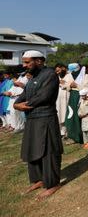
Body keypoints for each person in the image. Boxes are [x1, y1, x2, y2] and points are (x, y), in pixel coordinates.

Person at [14, 50, 63, 200]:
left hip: (45, 118)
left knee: (48, 151)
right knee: (32, 149)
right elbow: (23, 95)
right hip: (32, 119)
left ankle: (52, 183)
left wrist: (25, 105)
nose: (24, 65)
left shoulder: (49, 75)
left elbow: (44, 96)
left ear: (39, 61)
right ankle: (39, 179)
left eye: (27, 62)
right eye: (24, 62)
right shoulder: (33, 78)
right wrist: (17, 105)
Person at [64, 63, 83, 144]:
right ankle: (72, 136)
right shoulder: (69, 75)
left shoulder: (84, 75)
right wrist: (70, 85)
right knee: (71, 117)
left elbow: (86, 86)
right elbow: (64, 84)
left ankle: (82, 137)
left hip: (81, 97)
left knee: (81, 116)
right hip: (72, 98)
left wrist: (77, 86)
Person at [55, 64, 72, 137]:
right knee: (59, 114)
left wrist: (64, 83)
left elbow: (72, 85)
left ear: (63, 68)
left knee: (66, 114)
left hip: (66, 98)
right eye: (56, 71)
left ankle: (67, 132)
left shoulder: (69, 76)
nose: (58, 72)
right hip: (58, 99)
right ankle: (61, 132)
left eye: (59, 70)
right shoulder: (57, 77)